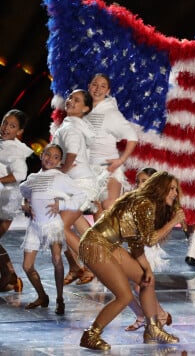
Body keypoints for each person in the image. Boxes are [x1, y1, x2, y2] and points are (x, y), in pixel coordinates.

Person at [77, 171, 182, 350]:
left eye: (176, 189)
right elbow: (149, 239)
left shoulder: (143, 202)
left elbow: (136, 242)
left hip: (109, 245)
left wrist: (147, 268)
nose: (175, 193)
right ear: (160, 187)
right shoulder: (145, 203)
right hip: (95, 245)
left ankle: (152, 329)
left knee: (146, 279)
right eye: (171, 188)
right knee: (124, 296)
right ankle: (91, 334)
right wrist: (172, 223)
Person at [19, 144, 87, 315]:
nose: (51, 158)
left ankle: (60, 299)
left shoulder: (60, 177)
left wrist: (62, 204)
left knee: (57, 260)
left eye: (56, 157)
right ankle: (42, 296)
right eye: (48, 154)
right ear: (41, 155)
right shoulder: (33, 177)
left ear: (59, 161)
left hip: (52, 226)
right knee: (27, 266)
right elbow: (23, 192)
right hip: (34, 226)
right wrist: (24, 204)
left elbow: (81, 195)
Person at [51, 89, 97, 285]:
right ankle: (79, 267)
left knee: (58, 226)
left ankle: (95, 264)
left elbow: (71, 154)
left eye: (77, 100)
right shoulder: (74, 125)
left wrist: (61, 171)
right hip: (75, 184)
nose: (70, 101)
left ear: (85, 108)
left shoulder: (71, 128)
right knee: (75, 226)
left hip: (78, 185)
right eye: (70, 97)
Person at [124, 167, 172, 332]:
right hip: (135, 247)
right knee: (124, 286)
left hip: (147, 249)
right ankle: (147, 315)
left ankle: (158, 314)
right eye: (138, 181)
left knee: (140, 286)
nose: (139, 184)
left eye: (144, 181)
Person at [85, 73, 138, 217]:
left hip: (108, 167)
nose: (97, 89)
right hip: (89, 169)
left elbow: (132, 137)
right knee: (97, 213)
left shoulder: (111, 112)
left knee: (108, 205)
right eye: (95, 84)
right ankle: (102, 240)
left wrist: (121, 160)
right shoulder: (82, 110)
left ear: (108, 91)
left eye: (103, 86)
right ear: (89, 86)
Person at [0, 109, 33, 292]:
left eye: (12, 126)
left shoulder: (15, 150)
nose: (6, 128)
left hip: (6, 201)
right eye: (5, 122)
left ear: (19, 131)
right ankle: (9, 277)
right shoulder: (2, 144)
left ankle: (10, 276)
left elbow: (20, 174)